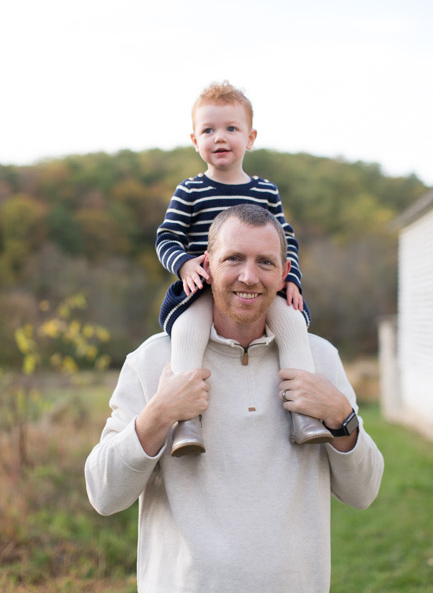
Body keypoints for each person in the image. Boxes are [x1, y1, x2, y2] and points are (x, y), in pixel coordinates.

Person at [85, 204, 384, 593]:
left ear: (284, 274)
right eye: (234, 259)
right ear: (207, 265)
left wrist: (341, 416)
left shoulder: (319, 359)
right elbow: (104, 495)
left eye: (265, 262)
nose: (249, 276)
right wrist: (158, 414)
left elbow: (363, 493)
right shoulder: (153, 360)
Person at [156, 80, 333, 455]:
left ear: (250, 138)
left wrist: (293, 281)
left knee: (293, 323)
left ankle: (304, 415)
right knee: (188, 330)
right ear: (194, 139)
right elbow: (167, 237)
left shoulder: (265, 191)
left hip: (258, 286)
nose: (219, 137)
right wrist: (185, 264)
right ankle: (188, 422)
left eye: (231, 129)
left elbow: (286, 242)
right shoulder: (190, 191)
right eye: (208, 130)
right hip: (205, 286)